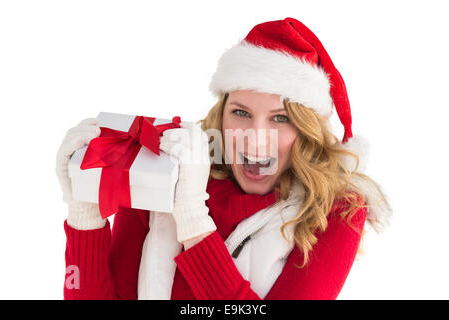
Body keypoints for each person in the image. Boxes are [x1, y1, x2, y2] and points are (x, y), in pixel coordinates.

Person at [56, 17, 391, 300]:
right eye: (241, 112)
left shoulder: (338, 210)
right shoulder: (167, 171)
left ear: (307, 130)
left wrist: (194, 224)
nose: (256, 139)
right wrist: (84, 217)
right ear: (221, 116)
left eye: (280, 118)